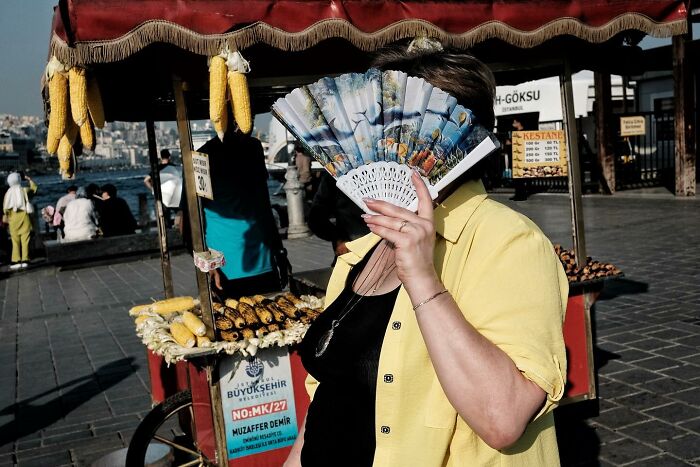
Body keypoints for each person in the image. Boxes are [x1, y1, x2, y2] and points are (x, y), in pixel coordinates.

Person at [286, 43, 568, 467]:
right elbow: (329, 392)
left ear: (447, 135)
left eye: (389, 122)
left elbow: (504, 417)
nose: (368, 135)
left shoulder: (509, 241)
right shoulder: (360, 252)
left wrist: (423, 280)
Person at [197, 125, 290, 298]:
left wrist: (279, 252)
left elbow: (263, 205)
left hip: (264, 261)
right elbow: (189, 221)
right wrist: (209, 265)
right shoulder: (201, 157)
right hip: (224, 268)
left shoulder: (253, 148)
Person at [308, 172, 369, 257]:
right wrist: (339, 238)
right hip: (351, 249)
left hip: (384, 247)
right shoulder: (335, 176)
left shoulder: (335, 176)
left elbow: (315, 217)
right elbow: (316, 218)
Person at [3, 172, 37, 269]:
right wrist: (29, 179)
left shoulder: (7, 194)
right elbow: (34, 189)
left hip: (12, 220)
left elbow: (5, 209)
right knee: (25, 240)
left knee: (15, 241)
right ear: (19, 180)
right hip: (24, 217)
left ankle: (15, 261)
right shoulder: (23, 190)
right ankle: (25, 259)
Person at [145, 149, 181, 227]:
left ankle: (167, 230)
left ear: (161, 158)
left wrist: (153, 189)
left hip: (162, 195)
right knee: (179, 212)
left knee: (165, 217)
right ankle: (177, 227)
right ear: (169, 157)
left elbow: (146, 180)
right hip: (174, 194)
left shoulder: (157, 168)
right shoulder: (174, 167)